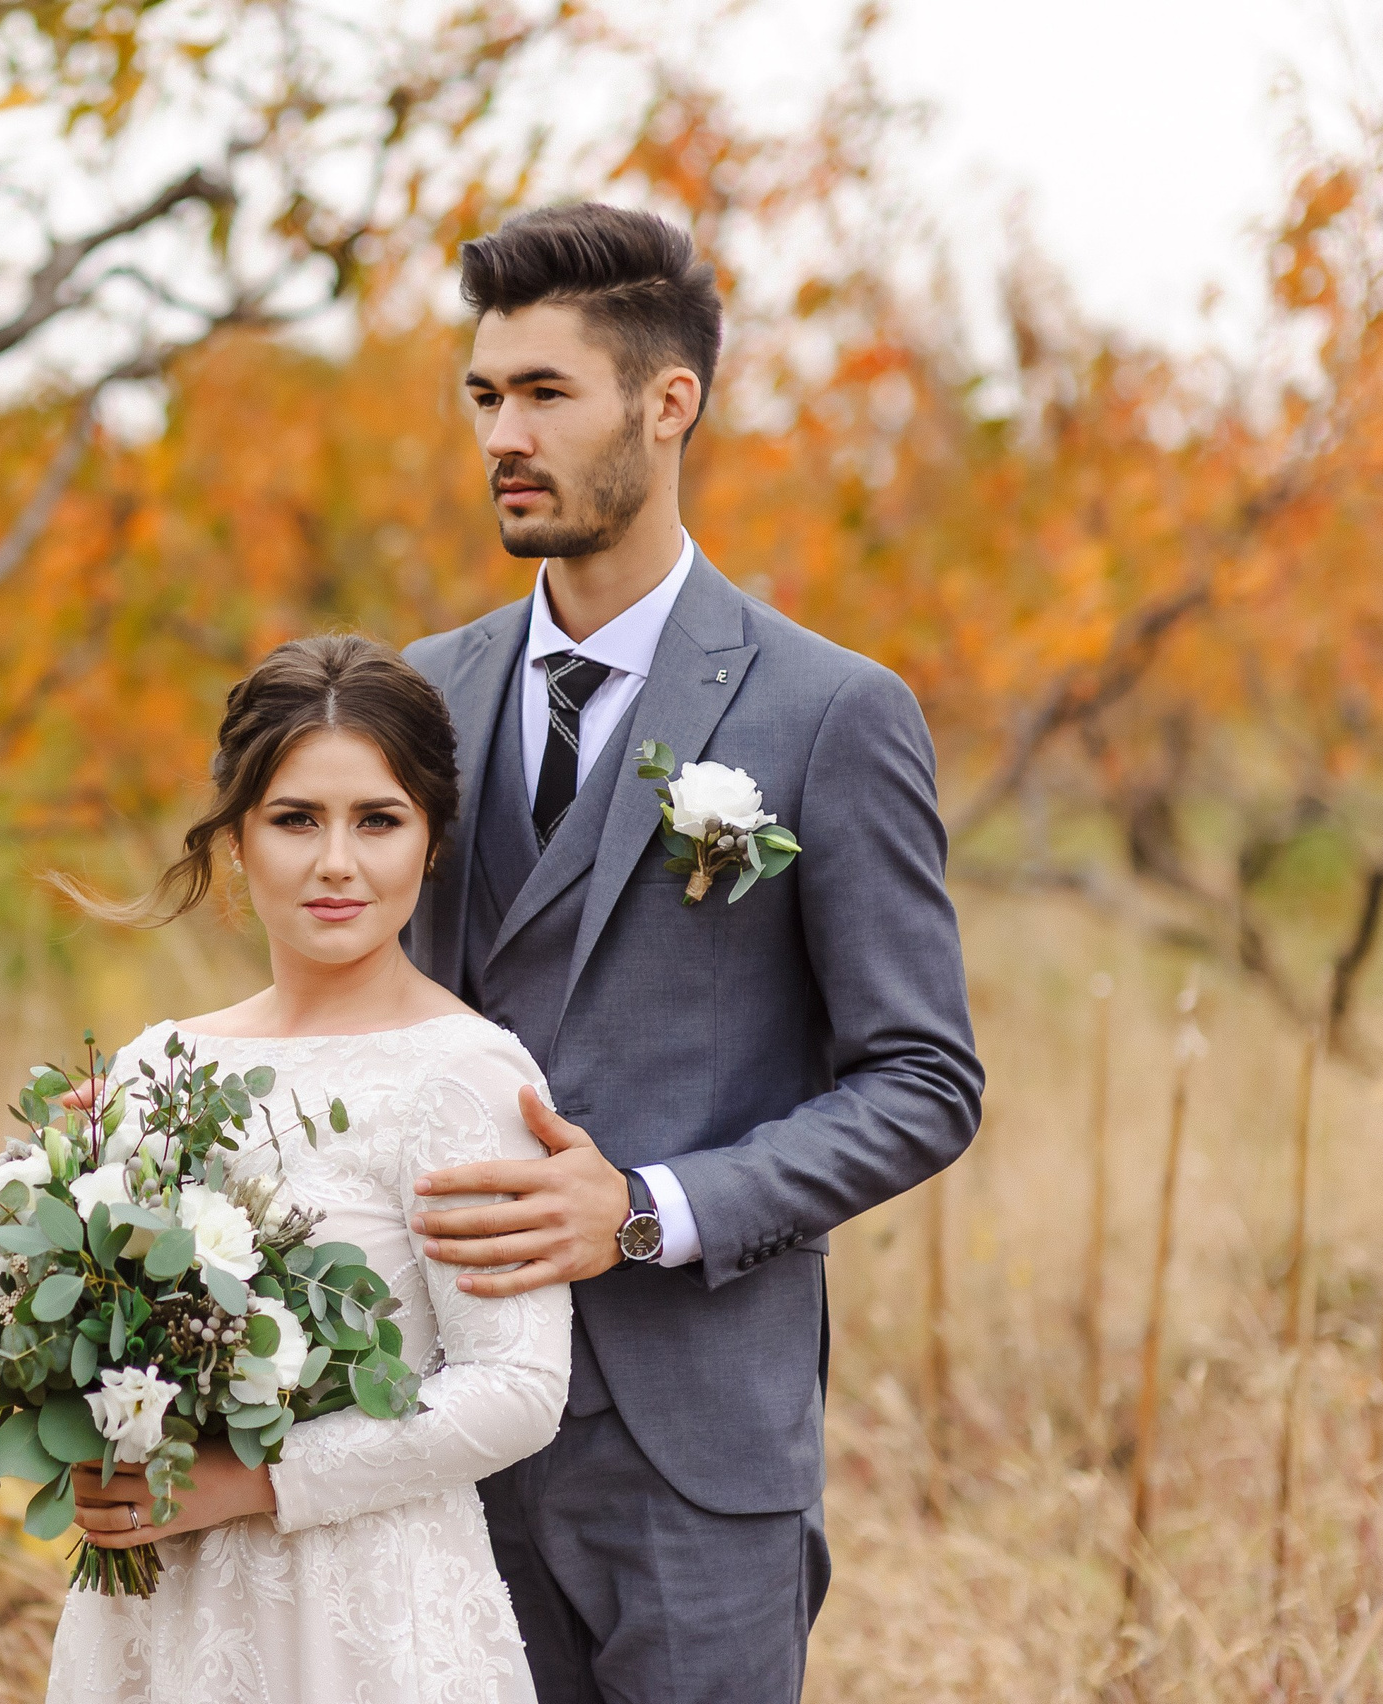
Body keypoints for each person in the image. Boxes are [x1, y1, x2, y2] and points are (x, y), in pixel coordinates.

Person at [400, 202, 985, 1702]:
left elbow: (923, 1082)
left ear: (669, 404)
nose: (503, 437)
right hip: (433, 1420)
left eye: (546, 393)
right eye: (485, 395)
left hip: (693, 1454)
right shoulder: (417, 699)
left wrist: (648, 1211)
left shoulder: (827, 710)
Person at [45, 634, 573, 1704]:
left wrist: (250, 1484)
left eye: (377, 820)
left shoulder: (462, 1074)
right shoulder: (155, 1067)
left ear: (430, 843)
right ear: (237, 838)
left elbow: (516, 1390)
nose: (337, 862)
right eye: (295, 819)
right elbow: (87, 1339)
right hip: (158, 1614)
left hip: (363, 1616)